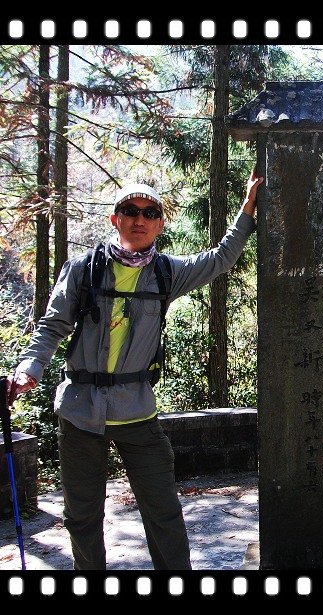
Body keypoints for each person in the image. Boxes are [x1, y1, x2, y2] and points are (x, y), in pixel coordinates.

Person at [5, 170, 264, 570]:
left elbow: (220, 259)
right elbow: (53, 325)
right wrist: (30, 367)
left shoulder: (166, 273)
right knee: (82, 517)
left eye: (150, 213)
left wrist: (247, 210)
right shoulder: (83, 270)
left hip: (137, 412)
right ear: (116, 219)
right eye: (130, 211)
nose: (139, 219)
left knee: (163, 512)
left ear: (160, 224)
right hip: (80, 411)